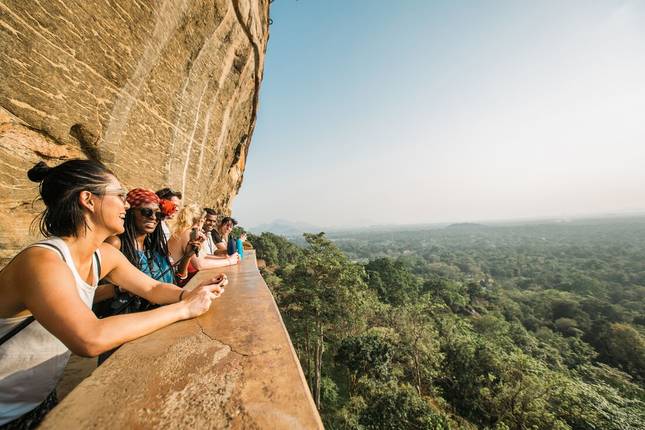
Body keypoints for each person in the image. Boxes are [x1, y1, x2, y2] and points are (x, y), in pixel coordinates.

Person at [0, 160, 225, 428]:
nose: (126, 205)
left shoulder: (103, 255)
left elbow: (152, 288)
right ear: (88, 200)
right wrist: (184, 309)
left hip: (37, 400)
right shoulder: (41, 261)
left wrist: (189, 294)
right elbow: (89, 338)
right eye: (119, 195)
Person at [168, 205, 238, 283]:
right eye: (204, 220)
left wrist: (226, 258)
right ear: (200, 221)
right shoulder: (188, 233)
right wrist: (229, 261)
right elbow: (200, 264)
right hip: (170, 280)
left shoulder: (183, 230)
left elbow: (203, 256)